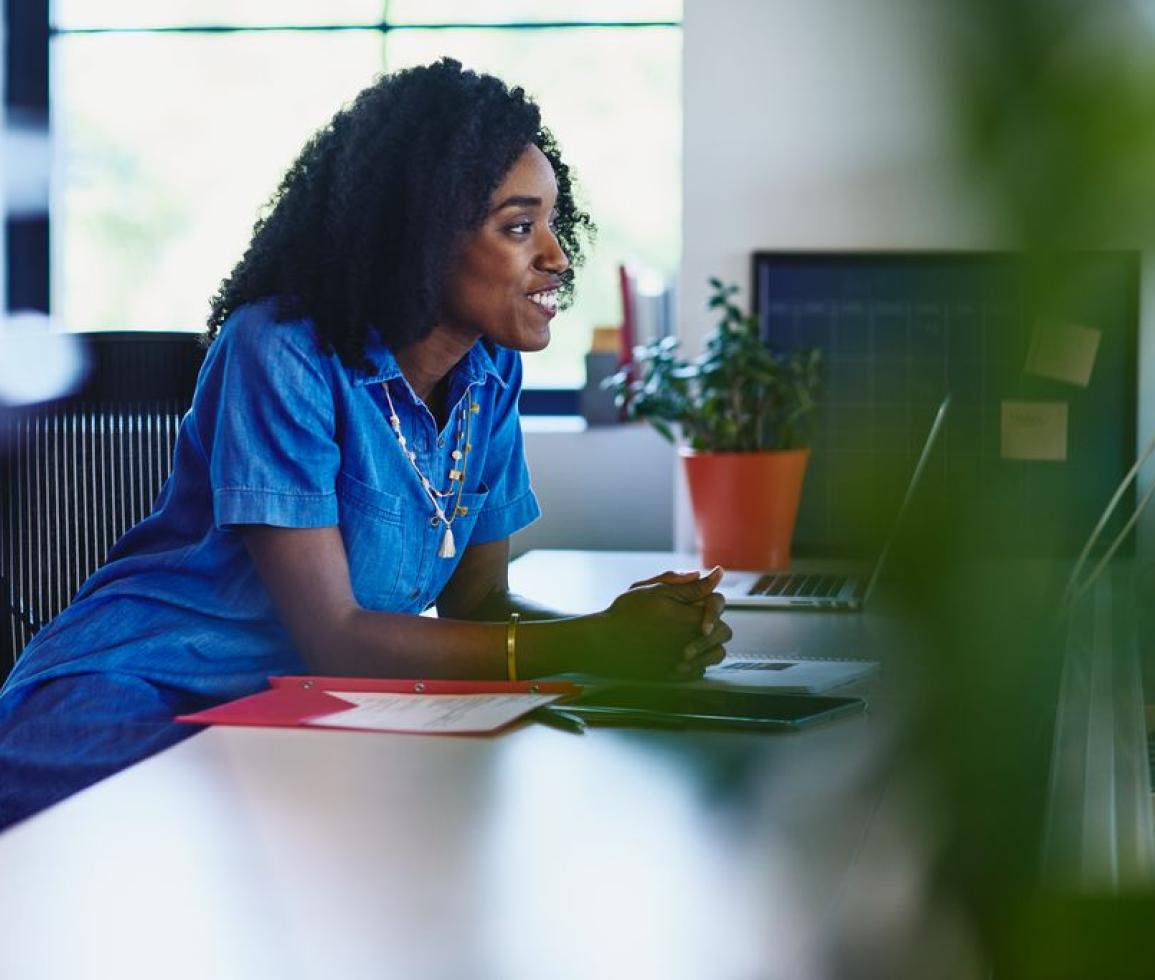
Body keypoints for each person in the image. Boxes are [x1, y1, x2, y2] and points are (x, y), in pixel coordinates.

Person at [0, 59, 730, 829]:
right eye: (519, 227)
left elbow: (476, 605)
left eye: (552, 221)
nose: (557, 256)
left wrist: (630, 633)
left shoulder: (489, 373)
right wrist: (596, 643)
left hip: (299, 715)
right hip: (136, 699)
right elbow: (336, 637)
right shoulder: (279, 349)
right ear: (420, 234)